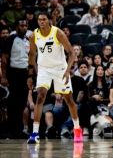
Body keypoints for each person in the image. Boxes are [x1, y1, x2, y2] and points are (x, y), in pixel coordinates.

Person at [27, 13, 83, 143]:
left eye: (44, 19)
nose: (41, 21)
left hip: (60, 68)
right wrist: (30, 75)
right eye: (39, 19)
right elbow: (32, 55)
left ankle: (77, 129)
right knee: (40, 96)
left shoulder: (57, 33)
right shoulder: (34, 35)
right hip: (44, 69)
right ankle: (35, 133)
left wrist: (68, 71)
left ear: (49, 21)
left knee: (69, 99)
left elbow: (71, 52)